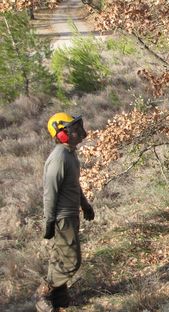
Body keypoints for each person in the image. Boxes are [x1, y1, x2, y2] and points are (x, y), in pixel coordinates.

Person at [34, 113, 95, 312]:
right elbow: (50, 192)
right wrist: (50, 220)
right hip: (62, 217)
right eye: (74, 128)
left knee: (59, 257)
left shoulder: (70, 154)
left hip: (70, 215)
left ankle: (59, 300)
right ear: (62, 134)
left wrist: (84, 204)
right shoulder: (59, 157)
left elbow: (74, 185)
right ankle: (43, 293)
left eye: (78, 127)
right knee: (71, 261)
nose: (79, 132)